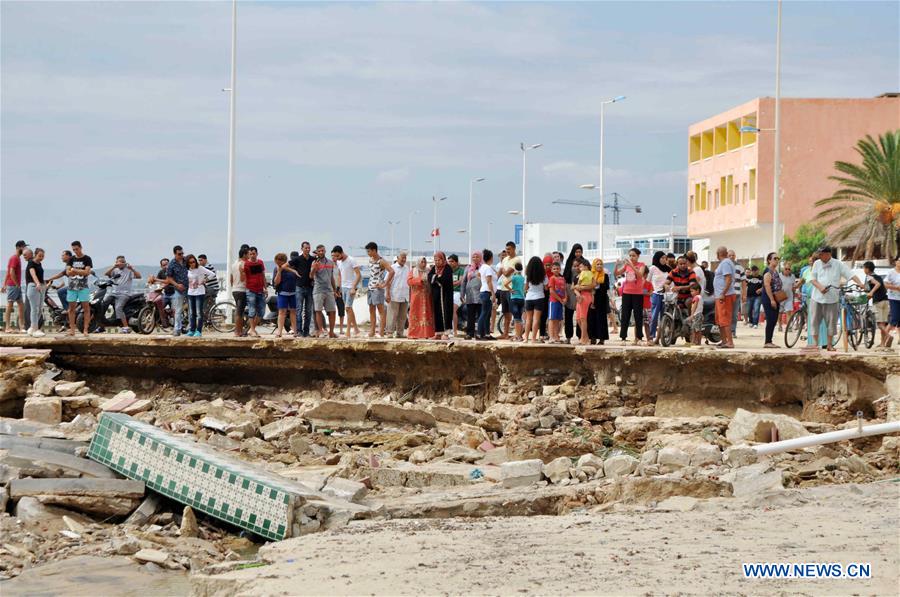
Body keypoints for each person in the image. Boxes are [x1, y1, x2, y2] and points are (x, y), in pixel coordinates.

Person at [808, 246, 862, 351]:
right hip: (817, 298)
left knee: (831, 322)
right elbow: (813, 279)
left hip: (832, 298)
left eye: (821, 254)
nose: (819, 256)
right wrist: (820, 287)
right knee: (814, 321)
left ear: (828, 254)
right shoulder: (817, 263)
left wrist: (860, 283)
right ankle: (815, 344)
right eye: (819, 254)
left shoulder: (838, 264)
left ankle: (829, 345)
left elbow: (850, 274)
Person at [614, 248, 645, 345]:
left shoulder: (641, 265)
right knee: (625, 316)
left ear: (638, 256)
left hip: (638, 294)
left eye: (633, 255)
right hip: (626, 293)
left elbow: (640, 275)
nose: (631, 257)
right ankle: (623, 338)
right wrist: (617, 264)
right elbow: (616, 273)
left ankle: (639, 338)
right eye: (630, 255)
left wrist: (631, 264)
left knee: (638, 316)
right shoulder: (626, 266)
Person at [105, 255, 141, 333]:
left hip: (125, 294)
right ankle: (101, 325)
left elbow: (139, 276)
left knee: (118, 308)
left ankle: (126, 327)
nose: (120, 263)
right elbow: (106, 274)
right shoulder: (115, 270)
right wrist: (113, 267)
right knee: (103, 303)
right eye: (118, 262)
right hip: (114, 293)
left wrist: (132, 269)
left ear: (125, 263)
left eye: (122, 262)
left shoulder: (129, 270)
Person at [364, 242, 394, 338]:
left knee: (381, 311)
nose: (368, 253)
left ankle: (381, 332)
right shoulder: (370, 260)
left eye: (369, 251)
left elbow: (392, 271)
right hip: (370, 287)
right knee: (371, 310)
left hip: (378, 288)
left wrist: (384, 284)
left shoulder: (381, 261)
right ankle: (372, 331)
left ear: (374, 250)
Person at [66, 241, 94, 336]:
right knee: (71, 309)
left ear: (81, 247)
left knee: (86, 308)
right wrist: (79, 271)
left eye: (76, 249)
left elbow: (87, 272)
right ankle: (72, 330)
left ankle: (85, 330)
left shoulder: (87, 258)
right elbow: (68, 272)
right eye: (73, 250)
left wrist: (74, 270)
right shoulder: (71, 259)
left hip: (83, 287)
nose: (75, 251)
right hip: (72, 286)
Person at [333, 246, 361, 338]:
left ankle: (348, 331)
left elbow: (358, 275)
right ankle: (356, 329)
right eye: (335, 256)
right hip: (343, 288)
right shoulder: (339, 262)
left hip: (350, 287)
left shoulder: (351, 260)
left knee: (348, 308)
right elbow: (340, 275)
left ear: (341, 253)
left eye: (338, 256)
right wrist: (339, 288)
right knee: (349, 309)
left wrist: (353, 287)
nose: (336, 258)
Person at [185, 254, 216, 337]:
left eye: (193, 262)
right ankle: (192, 329)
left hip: (199, 292)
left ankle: (198, 330)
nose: (192, 264)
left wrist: (205, 280)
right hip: (190, 292)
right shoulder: (187, 270)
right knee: (192, 313)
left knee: (199, 312)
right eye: (190, 262)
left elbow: (212, 274)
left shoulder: (200, 268)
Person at [289, 242, 315, 338]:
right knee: (298, 310)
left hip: (310, 288)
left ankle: (306, 332)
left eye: (309, 248)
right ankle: (299, 331)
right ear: (302, 248)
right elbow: (284, 266)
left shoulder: (313, 259)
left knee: (308, 311)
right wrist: (294, 271)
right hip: (299, 287)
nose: (307, 249)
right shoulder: (297, 259)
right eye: (306, 248)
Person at [311, 244, 338, 338]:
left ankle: (331, 332)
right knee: (318, 311)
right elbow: (311, 276)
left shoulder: (331, 262)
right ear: (317, 252)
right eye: (319, 251)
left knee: (333, 311)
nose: (321, 252)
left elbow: (331, 277)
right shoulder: (314, 262)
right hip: (318, 290)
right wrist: (314, 268)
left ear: (325, 251)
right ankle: (321, 331)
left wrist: (335, 290)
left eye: (323, 250)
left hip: (329, 290)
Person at [497, 241, 522, 340]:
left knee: (514, 313)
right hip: (503, 288)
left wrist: (502, 269)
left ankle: (517, 334)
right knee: (505, 312)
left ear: (514, 249)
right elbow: (500, 272)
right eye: (506, 249)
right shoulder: (505, 259)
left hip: (511, 289)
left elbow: (507, 273)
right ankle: (505, 333)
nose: (507, 251)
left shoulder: (517, 260)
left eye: (509, 249)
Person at [712, 246, 736, 349]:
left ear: (718, 254)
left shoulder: (725, 263)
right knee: (720, 320)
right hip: (720, 295)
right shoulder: (724, 263)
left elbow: (728, 279)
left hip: (725, 296)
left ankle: (729, 342)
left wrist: (723, 293)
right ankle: (724, 341)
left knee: (725, 319)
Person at [862, 260, 890, 350]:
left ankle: (889, 336)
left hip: (878, 302)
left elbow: (877, 285)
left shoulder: (869, 277)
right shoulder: (879, 276)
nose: (863, 270)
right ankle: (882, 344)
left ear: (867, 269)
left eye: (864, 268)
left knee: (879, 324)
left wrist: (871, 293)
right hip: (886, 301)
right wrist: (870, 292)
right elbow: (882, 287)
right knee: (883, 323)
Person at [272, 252, 299, 338]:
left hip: (293, 293)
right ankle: (279, 332)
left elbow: (296, 277)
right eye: (278, 261)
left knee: (293, 312)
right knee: (281, 312)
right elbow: (276, 282)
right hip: (282, 293)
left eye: (281, 261)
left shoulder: (291, 267)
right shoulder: (276, 269)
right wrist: (279, 271)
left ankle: (295, 331)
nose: (280, 263)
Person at [428, 251, 454, 340]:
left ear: (443, 259)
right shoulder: (434, 268)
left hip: (446, 294)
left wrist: (435, 278)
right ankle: (438, 333)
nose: (437, 262)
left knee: (446, 313)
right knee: (437, 312)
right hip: (436, 294)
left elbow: (444, 279)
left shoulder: (447, 268)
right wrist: (436, 277)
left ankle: (446, 333)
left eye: (439, 260)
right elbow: (429, 277)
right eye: (435, 260)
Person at [407, 257, 434, 339]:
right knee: (415, 314)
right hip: (416, 297)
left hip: (426, 296)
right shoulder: (413, 271)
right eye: (422, 262)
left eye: (424, 262)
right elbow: (409, 281)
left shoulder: (429, 271)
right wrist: (420, 280)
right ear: (418, 262)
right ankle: (414, 334)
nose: (423, 263)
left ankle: (427, 334)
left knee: (426, 314)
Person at [3, 240, 27, 333]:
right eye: (23, 247)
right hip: (13, 285)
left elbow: (8, 272)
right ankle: (7, 327)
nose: (25, 249)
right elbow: (11, 272)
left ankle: (21, 327)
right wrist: (16, 284)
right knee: (10, 305)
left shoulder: (17, 258)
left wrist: (4, 284)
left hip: (16, 285)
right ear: (18, 247)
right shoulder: (14, 258)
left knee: (21, 305)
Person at [761, 252, 784, 348]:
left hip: (775, 297)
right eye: (775, 258)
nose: (777, 260)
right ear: (769, 260)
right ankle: (768, 341)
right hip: (769, 298)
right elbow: (767, 285)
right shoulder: (768, 272)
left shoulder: (775, 271)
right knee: (771, 319)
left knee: (774, 320)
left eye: (778, 258)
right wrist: (772, 300)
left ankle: (769, 340)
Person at [647, 251, 670, 343]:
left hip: (667, 296)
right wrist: (650, 292)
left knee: (664, 318)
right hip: (656, 294)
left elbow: (672, 282)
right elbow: (648, 281)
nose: (664, 260)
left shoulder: (668, 269)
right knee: (654, 316)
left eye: (665, 258)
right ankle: (651, 337)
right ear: (657, 258)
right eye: (662, 258)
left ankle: (659, 338)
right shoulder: (653, 268)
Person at [243, 247, 266, 338]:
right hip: (250, 289)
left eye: (254, 253)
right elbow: (244, 277)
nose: (252, 255)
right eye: (251, 254)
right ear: (249, 254)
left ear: (257, 254)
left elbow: (263, 275)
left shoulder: (260, 262)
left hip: (260, 289)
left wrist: (265, 287)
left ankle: (252, 329)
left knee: (261, 311)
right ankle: (252, 330)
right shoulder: (246, 264)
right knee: (252, 310)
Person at [562, 244, 583, 342]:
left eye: (580, 251)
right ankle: (568, 337)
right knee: (568, 315)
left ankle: (580, 336)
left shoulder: (584, 262)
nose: (578, 253)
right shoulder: (569, 261)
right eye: (576, 251)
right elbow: (565, 277)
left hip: (580, 290)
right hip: (569, 290)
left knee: (581, 315)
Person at [587, 258, 610, 345]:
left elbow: (606, 287)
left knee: (601, 319)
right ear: (594, 265)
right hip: (592, 299)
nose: (599, 266)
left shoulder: (605, 275)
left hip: (602, 299)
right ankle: (592, 338)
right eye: (597, 264)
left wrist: (597, 283)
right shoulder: (590, 275)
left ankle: (601, 339)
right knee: (592, 319)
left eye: (601, 264)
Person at [461, 251, 483, 340]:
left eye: (477, 257)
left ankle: (480, 333)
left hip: (481, 294)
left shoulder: (483, 267)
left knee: (481, 315)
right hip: (470, 295)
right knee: (470, 315)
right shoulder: (468, 268)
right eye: (473, 257)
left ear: (481, 257)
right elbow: (464, 281)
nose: (475, 258)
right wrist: (462, 294)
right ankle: (470, 333)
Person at [388, 251, 410, 338]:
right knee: (392, 315)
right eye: (402, 258)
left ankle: (399, 333)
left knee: (402, 316)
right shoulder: (392, 268)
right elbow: (387, 282)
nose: (404, 260)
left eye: (405, 258)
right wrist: (387, 294)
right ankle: (390, 332)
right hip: (394, 295)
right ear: (397, 258)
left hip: (404, 295)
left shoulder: (407, 268)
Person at [24, 248, 46, 337]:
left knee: (40, 308)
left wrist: (44, 284)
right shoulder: (31, 263)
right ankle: (35, 329)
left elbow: (40, 276)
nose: (41, 258)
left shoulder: (39, 264)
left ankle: (32, 327)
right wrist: (37, 284)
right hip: (33, 287)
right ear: (35, 254)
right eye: (39, 256)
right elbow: (33, 274)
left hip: (41, 287)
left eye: (43, 256)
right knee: (34, 308)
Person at [523, 256, 545, 343]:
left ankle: (525, 338)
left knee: (528, 319)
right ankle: (533, 339)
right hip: (539, 297)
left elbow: (525, 287)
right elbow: (546, 287)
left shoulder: (528, 275)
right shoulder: (543, 275)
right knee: (536, 319)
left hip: (529, 298)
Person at [477, 249, 497, 340]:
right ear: (491, 258)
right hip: (487, 292)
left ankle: (486, 334)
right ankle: (479, 334)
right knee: (484, 313)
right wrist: (493, 294)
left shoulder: (483, 267)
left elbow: (478, 275)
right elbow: (489, 281)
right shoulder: (488, 268)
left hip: (483, 291)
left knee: (487, 313)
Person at [574, 259, 595, 345]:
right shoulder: (579, 275)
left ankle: (583, 338)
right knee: (578, 319)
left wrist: (581, 288)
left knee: (583, 318)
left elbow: (593, 285)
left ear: (586, 266)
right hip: (581, 296)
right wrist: (578, 293)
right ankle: (585, 337)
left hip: (585, 296)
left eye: (581, 266)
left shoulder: (585, 274)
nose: (579, 267)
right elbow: (575, 287)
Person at [46, 250, 72, 314]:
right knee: (60, 290)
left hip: (74, 286)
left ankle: (68, 308)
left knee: (60, 292)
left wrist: (48, 279)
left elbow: (60, 274)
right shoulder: (67, 265)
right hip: (70, 286)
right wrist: (58, 286)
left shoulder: (71, 265)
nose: (61, 257)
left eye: (63, 255)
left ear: (68, 256)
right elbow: (65, 281)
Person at [230, 246, 248, 337]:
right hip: (242, 290)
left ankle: (239, 331)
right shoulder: (244, 264)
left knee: (239, 311)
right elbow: (243, 278)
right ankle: (237, 332)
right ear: (244, 254)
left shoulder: (234, 264)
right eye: (248, 254)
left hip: (235, 289)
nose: (249, 255)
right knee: (239, 312)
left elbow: (231, 279)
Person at [547, 262, 566, 343]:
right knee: (552, 319)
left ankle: (556, 336)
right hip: (553, 301)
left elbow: (564, 290)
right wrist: (560, 299)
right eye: (554, 269)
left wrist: (565, 298)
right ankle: (551, 336)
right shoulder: (552, 278)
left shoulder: (562, 279)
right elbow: (551, 292)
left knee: (558, 320)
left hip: (560, 302)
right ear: (551, 270)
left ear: (560, 269)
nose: (556, 270)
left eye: (557, 268)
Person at [884, 256, 900, 349]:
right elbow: (885, 284)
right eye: (899, 261)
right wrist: (896, 288)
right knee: (895, 318)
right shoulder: (891, 272)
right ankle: (884, 339)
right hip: (893, 298)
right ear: (896, 262)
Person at [728, 249, 745, 334]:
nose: (731, 257)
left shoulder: (740, 267)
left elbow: (744, 282)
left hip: (736, 294)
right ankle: (726, 331)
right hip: (726, 294)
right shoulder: (724, 266)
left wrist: (744, 294)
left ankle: (732, 331)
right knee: (727, 313)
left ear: (735, 256)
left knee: (734, 314)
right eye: (729, 255)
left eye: (733, 255)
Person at [778, 262, 797, 332]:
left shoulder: (792, 276)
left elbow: (793, 287)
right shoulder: (779, 275)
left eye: (789, 269)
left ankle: (788, 327)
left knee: (788, 312)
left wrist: (794, 296)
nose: (787, 270)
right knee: (780, 312)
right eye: (786, 269)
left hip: (789, 297)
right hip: (781, 296)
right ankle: (780, 325)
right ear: (783, 268)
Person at [449, 254, 465, 336]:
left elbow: (460, 281)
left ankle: (454, 331)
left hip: (458, 292)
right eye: (449, 261)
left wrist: (450, 284)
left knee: (453, 309)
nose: (450, 263)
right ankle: (449, 329)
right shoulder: (448, 270)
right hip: (449, 292)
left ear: (456, 262)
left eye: (452, 261)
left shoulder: (461, 270)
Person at [509, 262, 525, 341]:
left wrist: (510, 290)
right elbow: (524, 288)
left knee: (516, 319)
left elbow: (505, 284)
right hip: (522, 299)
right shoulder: (523, 278)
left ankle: (517, 336)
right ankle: (519, 336)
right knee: (520, 318)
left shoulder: (514, 277)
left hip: (514, 298)